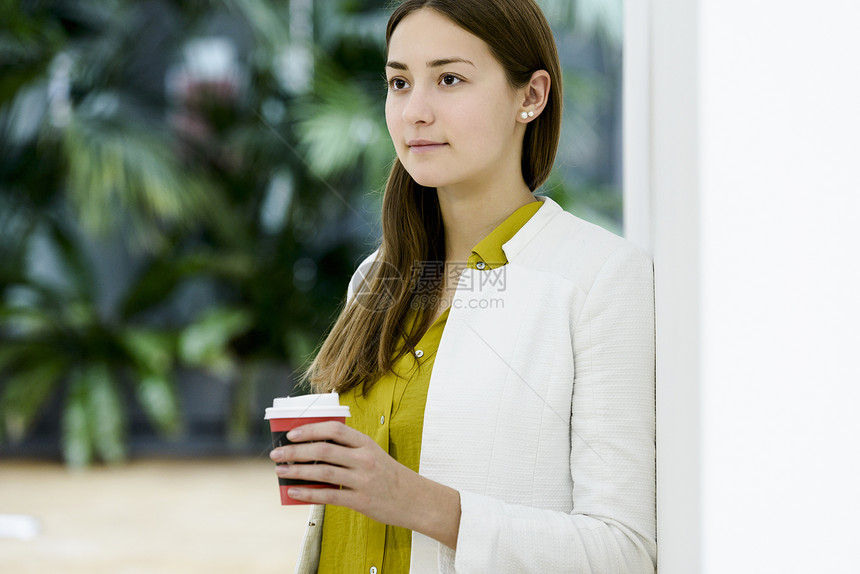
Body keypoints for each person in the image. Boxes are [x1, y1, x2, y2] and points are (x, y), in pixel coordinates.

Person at [269, 0, 656, 572]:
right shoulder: (376, 280)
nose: (415, 111)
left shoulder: (601, 279)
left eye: (449, 79)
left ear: (531, 96)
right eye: (399, 82)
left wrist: (417, 502)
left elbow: (623, 551)